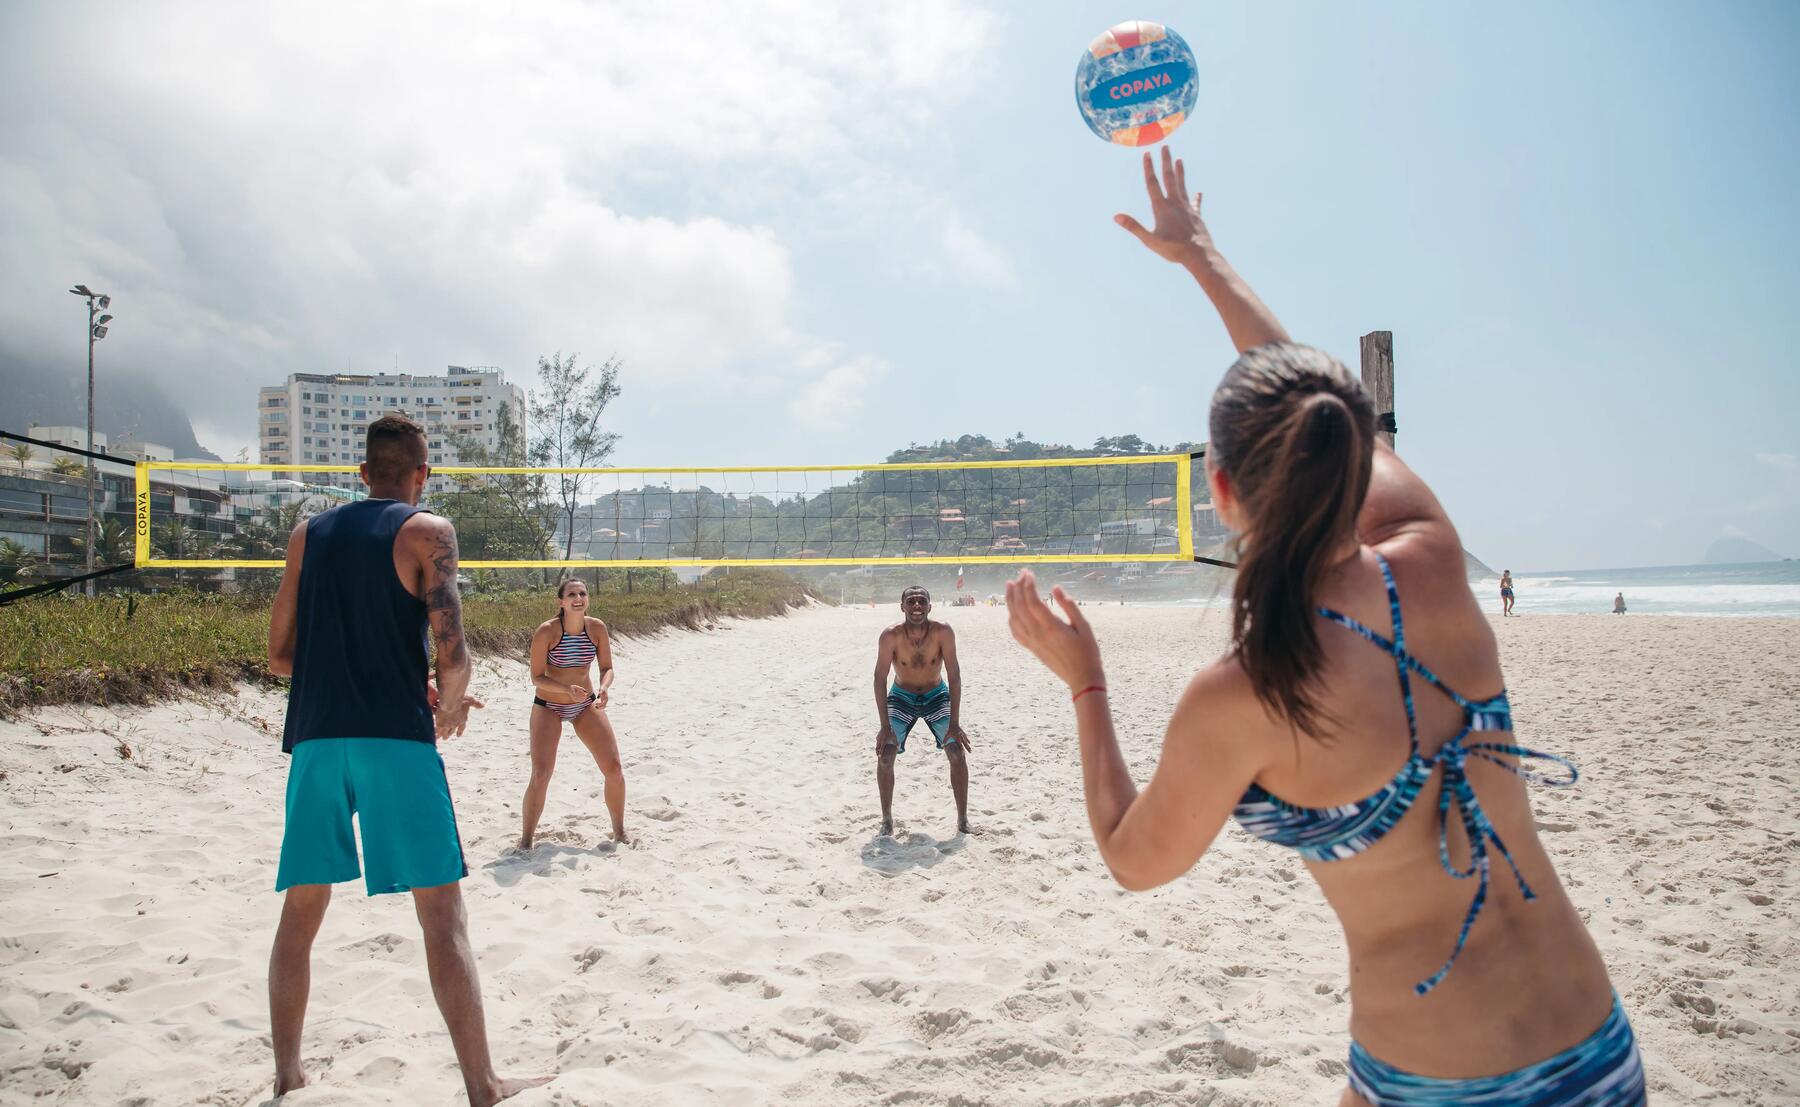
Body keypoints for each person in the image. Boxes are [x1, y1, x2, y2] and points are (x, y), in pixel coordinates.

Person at [1005, 149, 1642, 1106]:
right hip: (1595, 1047)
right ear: (1358, 452)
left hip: (1439, 1082)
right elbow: (1320, 412)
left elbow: (1134, 859)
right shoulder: (1428, 555)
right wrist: (1204, 256)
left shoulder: (1247, 690)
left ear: (1217, 490)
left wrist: (1084, 680)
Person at [267, 414, 547, 1105]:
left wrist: (385, 679)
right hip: (394, 739)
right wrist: (448, 702)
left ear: (363, 473)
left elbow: (279, 655)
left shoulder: (308, 534)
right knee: (442, 915)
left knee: (300, 914)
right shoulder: (429, 532)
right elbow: (453, 652)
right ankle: (482, 1084)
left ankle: (288, 1076)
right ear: (421, 475)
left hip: (316, 739)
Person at [520, 576, 627, 849]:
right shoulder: (547, 631)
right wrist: (565, 690)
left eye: (582, 593)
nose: (578, 598)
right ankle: (526, 840)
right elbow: (536, 677)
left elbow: (607, 667)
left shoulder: (596, 628)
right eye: (571, 595)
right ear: (561, 602)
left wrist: (603, 688)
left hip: (584, 704)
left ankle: (620, 832)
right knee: (541, 774)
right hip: (549, 706)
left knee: (614, 769)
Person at [873, 585, 972, 835]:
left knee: (956, 753)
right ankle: (887, 820)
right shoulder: (890, 636)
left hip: (936, 696)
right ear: (902, 606)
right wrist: (885, 726)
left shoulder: (943, 632)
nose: (916, 606)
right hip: (901, 697)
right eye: (911, 601)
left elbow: (955, 675)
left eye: (921, 601)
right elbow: (879, 678)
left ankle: (962, 819)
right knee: (886, 756)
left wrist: (954, 723)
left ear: (929, 606)